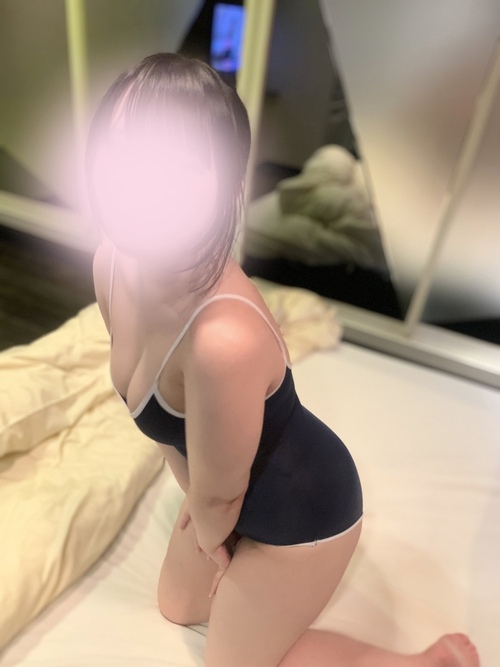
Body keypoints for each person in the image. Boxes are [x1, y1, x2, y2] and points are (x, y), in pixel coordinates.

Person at [88, 53, 479, 667]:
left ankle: (421, 662)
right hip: (219, 487)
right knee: (176, 606)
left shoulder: (224, 340)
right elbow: (175, 439)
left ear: (229, 183)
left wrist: (215, 532)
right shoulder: (111, 262)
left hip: (303, 509)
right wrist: (205, 514)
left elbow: (221, 494)